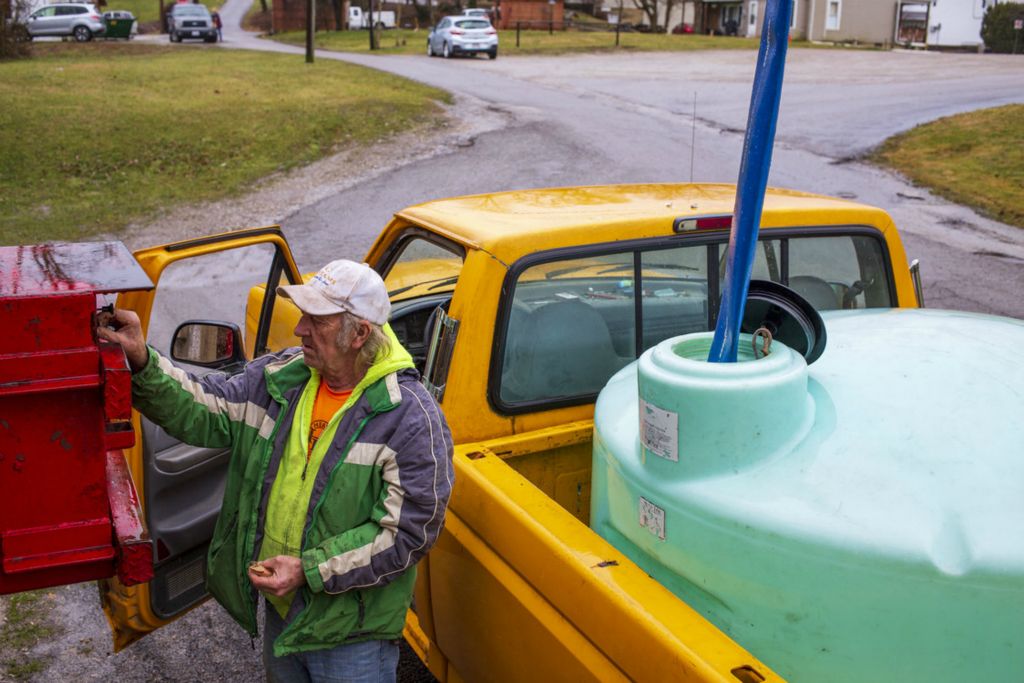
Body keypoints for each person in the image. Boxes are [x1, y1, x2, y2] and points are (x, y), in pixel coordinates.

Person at [96, 260, 455, 683]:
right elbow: (205, 407)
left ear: (358, 334)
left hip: (351, 638)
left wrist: (308, 569)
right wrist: (141, 361)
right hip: (284, 613)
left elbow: (408, 532)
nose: (300, 329)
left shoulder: (410, 418)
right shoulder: (284, 377)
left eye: (316, 320)